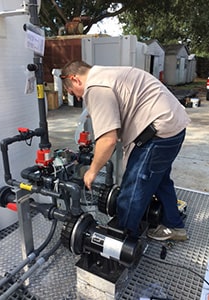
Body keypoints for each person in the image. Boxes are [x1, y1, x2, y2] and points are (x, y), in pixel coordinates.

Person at [60, 60, 190, 241]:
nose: (79, 98)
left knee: (132, 190)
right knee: (160, 179)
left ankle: (122, 241)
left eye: (73, 92)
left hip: (158, 134)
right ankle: (174, 225)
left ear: (75, 79)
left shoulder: (96, 88)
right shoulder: (108, 73)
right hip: (174, 128)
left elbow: (108, 140)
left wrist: (93, 171)